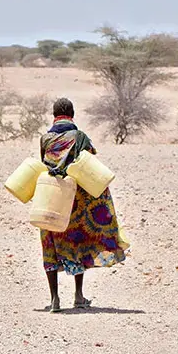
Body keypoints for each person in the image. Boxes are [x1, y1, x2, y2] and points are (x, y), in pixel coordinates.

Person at [39, 97, 128, 313]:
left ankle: (54, 299)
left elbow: (45, 163)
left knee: (50, 243)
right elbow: (89, 161)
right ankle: (78, 295)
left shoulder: (45, 139)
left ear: (54, 115)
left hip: (52, 196)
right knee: (76, 243)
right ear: (72, 115)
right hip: (75, 200)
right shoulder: (79, 137)